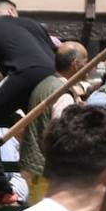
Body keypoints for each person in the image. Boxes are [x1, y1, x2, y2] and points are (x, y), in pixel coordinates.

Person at [0, 4, 56, 203]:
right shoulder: (33, 25)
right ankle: (44, 183)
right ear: (12, 12)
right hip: (50, 76)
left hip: (24, 72)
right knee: (37, 126)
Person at [19, 40, 87, 199]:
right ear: (76, 64)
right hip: (48, 175)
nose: (89, 67)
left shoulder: (45, 84)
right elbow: (64, 138)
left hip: (36, 171)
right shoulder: (63, 95)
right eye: (86, 62)